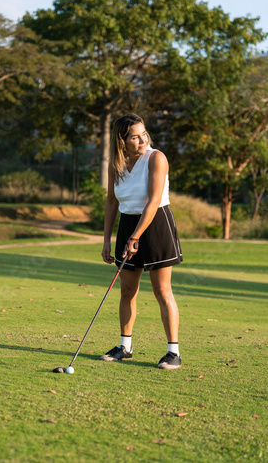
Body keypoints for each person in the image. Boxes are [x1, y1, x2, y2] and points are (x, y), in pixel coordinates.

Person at [100, 113, 183, 369]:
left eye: (143, 134)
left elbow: (153, 201)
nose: (142, 140)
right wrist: (107, 240)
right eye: (134, 136)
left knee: (161, 290)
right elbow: (112, 202)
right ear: (121, 141)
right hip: (127, 223)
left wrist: (136, 236)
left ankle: (173, 352)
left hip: (156, 223)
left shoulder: (156, 158)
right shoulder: (117, 165)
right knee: (127, 290)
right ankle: (125, 347)